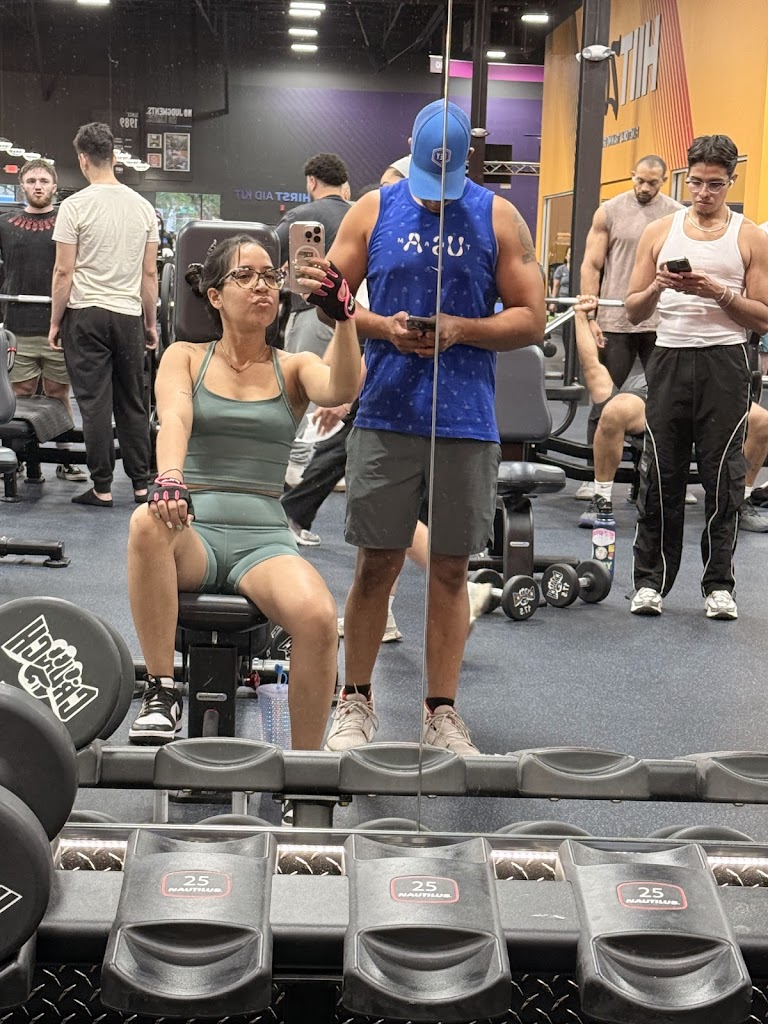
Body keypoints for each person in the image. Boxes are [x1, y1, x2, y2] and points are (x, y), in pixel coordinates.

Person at [324, 99, 545, 755]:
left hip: (466, 419)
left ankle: (440, 712)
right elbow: (329, 298)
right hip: (386, 409)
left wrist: (462, 329)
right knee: (375, 565)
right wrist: (382, 325)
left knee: (450, 570)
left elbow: (532, 317)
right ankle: (354, 701)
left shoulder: (497, 216)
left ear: (465, 164)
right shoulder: (373, 209)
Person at [126, 236, 360, 745]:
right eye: (245, 276)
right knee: (146, 520)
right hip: (194, 530)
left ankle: (306, 770)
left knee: (320, 619)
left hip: (264, 541)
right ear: (214, 296)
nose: (262, 286)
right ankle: (161, 690)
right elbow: (175, 419)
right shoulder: (185, 356)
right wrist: (170, 478)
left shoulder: (293, 366)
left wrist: (345, 319)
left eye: (270, 277)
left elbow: (342, 388)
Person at [625, 134, 768, 619]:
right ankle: (650, 583)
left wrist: (717, 292)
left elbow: (763, 316)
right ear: (686, 178)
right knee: (659, 475)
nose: (704, 193)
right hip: (669, 357)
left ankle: (719, 586)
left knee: (723, 477)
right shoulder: (659, 231)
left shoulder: (749, 236)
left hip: (725, 362)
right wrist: (658, 286)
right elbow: (633, 308)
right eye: (697, 182)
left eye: (715, 184)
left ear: (731, 182)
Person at [572, 294, 768, 534]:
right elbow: (590, 363)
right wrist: (581, 316)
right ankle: (601, 499)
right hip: (656, 391)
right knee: (612, 412)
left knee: (762, 421)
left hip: (703, 384)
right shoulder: (633, 399)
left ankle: (740, 502)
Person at [48, 122, 159, 507]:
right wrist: (150, 322)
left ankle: (102, 488)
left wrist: (55, 322)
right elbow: (149, 274)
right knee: (132, 402)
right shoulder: (143, 207)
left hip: (86, 315)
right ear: (114, 158)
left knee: (94, 404)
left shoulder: (74, 206)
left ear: (83, 160)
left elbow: (63, 272)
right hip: (128, 316)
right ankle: (142, 485)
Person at [577, 156, 681, 502]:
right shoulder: (609, 211)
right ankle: (595, 477)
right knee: (604, 401)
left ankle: (657, 476)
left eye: (652, 182)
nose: (644, 188)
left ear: (664, 180)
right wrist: (590, 315)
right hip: (615, 321)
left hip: (659, 322)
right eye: (640, 180)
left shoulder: (676, 215)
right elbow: (592, 264)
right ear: (632, 175)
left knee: (665, 402)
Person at [0, 159, 86, 482]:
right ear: (22, 185)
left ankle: (64, 459)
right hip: (17, 324)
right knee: (19, 394)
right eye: (32, 180)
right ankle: (20, 459)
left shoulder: (68, 222)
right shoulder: (4, 224)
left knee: (57, 393)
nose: (38, 186)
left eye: (44, 181)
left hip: (59, 325)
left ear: (54, 186)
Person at [276, 154, 352, 495]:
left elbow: (266, 252)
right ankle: (328, 468)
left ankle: (298, 468)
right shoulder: (360, 215)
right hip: (355, 320)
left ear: (311, 181)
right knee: (343, 391)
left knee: (301, 390)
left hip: (312, 313)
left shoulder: (302, 216)